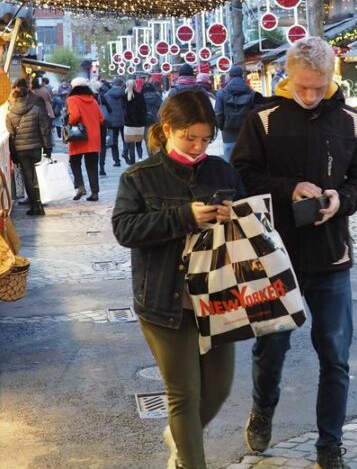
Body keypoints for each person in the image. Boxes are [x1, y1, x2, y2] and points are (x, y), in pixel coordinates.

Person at [231, 37, 357, 469]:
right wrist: (288, 187)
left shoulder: (350, 120)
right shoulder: (263, 118)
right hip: (274, 255)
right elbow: (242, 174)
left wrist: (340, 200)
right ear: (287, 77)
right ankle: (263, 408)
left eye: (319, 87)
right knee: (271, 347)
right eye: (303, 87)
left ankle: (329, 446)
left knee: (335, 354)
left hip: (331, 256)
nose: (311, 96)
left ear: (333, 77)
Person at [111, 90, 246, 469]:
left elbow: (250, 224)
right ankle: (189, 461)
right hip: (162, 301)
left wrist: (236, 215)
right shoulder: (139, 177)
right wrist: (185, 217)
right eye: (190, 137)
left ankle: (179, 435)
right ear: (167, 128)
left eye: (205, 138)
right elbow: (125, 230)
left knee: (218, 390)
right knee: (184, 394)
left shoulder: (223, 171)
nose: (198, 146)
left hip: (219, 297)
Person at [6, 80, 51, 216]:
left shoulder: (10, 114)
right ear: (26, 96)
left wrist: (14, 156)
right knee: (37, 177)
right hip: (36, 147)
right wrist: (47, 147)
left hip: (21, 150)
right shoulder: (36, 110)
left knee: (28, 178)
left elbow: (11, 136)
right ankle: (40, 204)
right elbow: (44, 129)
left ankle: (34, 206)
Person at [65, 76, 105, 201]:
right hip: (93, 137)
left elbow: (75, 116)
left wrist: (69, 120)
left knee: (75, 162)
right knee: (92, 165)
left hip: (79, 136)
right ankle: (95, 193)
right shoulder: (92, 100)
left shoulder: (72, 99)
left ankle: (80, 186)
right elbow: (101, 118)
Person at [214, 65, 260, 161]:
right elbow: (257, 114)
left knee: (230, 166)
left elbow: (218, 114)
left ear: (229, 76)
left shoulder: (221, 94)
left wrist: (223, 128)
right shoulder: (252, 94)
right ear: (242, 76)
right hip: (247, 135)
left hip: (228, 135)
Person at [123, 78, 149, 164]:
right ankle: (140, 157)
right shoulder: (140, 96)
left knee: (130, 144)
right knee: (139, 142)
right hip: (139, 123)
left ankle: (131, 159)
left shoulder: (124, 97)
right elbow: (144, 109)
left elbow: (123, 110)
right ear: (135, 86)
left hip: (128, 123)